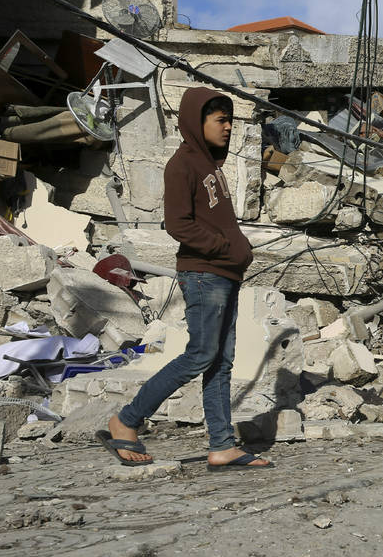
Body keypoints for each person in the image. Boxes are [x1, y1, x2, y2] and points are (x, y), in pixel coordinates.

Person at [97, 87, 272, 471]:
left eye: (230, 120)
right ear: (198, 121)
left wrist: (235, 252)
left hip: (223, 275)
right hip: (204, 275)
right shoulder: (183, 164)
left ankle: (222, 446)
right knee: (200, 355)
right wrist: (227, 248)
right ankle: (126, 420)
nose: (228, 127)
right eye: (220, 120)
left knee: (221, 362)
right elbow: (178, 225)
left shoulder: (210, 166)